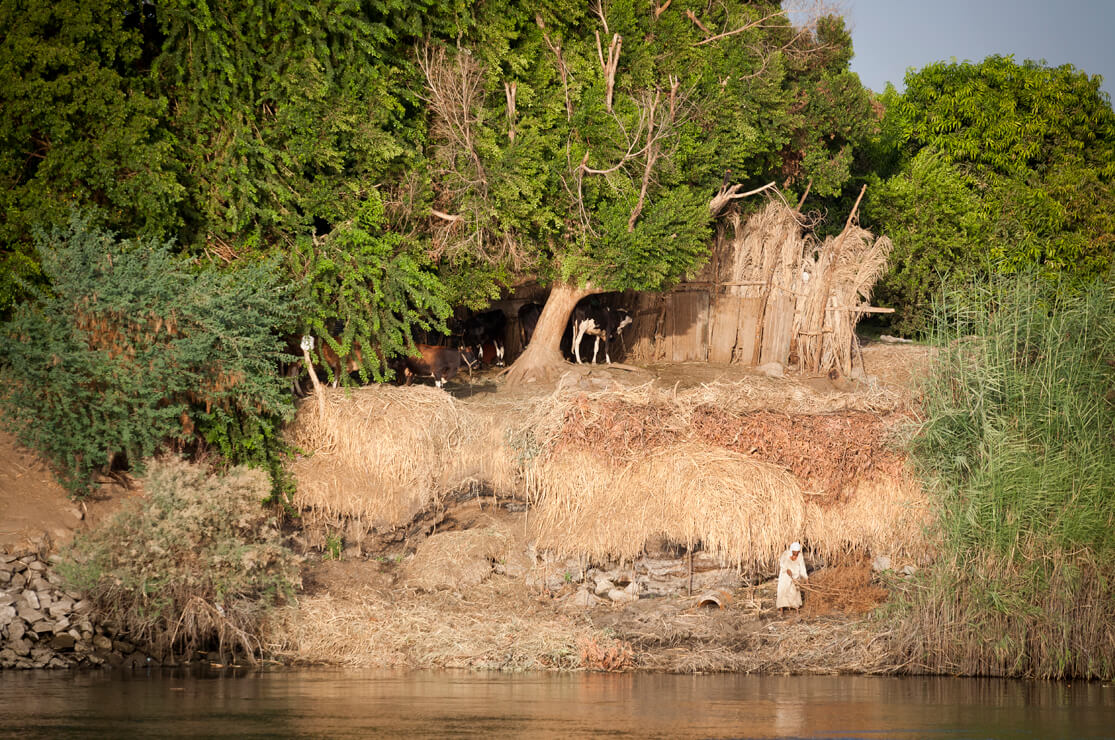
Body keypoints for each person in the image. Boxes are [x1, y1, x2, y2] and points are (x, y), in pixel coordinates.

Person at [777, 541, 808, 617]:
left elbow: (802, 568)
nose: (796, 554)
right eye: (794, 552)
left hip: (795, 576)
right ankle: (781, 611)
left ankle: (797, 611)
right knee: (782, 592)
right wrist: (786, 569)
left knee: (795, 593)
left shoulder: (800, 556)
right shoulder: (786, 554)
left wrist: (806, 579)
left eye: (797, 552)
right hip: (785, 576)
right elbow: (781, 563)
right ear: (791, 550)